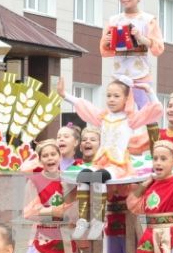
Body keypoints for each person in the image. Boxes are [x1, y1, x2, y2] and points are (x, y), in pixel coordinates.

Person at [56, 77, 163, 240]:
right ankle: (83, 219)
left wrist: (149, 91)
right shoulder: (103, 117)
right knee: (84, 175)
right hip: (101, 161)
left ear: (126, 99)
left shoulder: (130, 119)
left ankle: (99, 220)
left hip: (118, 164)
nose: (111, 100)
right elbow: (84, 105)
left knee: (99, 177)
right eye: (109, 96)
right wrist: (64, 95)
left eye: (116, 96)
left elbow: (154, 110)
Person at [99, 0, 165, 151]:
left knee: (149, 112)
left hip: (140, 75)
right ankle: (118, 149)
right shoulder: (114, 20)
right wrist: (107, 39)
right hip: (119, 76)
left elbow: (158, 48)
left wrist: (141, 38)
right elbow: (104, 50)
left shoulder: (148, 19)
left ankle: (155, 150)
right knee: (118, 112)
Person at [36, 125, 82, 253]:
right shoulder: (48, 164)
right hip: (45, 229)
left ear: (76, 142)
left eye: (66, 136)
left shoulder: (80, 167)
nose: (61, 139)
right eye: (58, 136)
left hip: (72, 228)